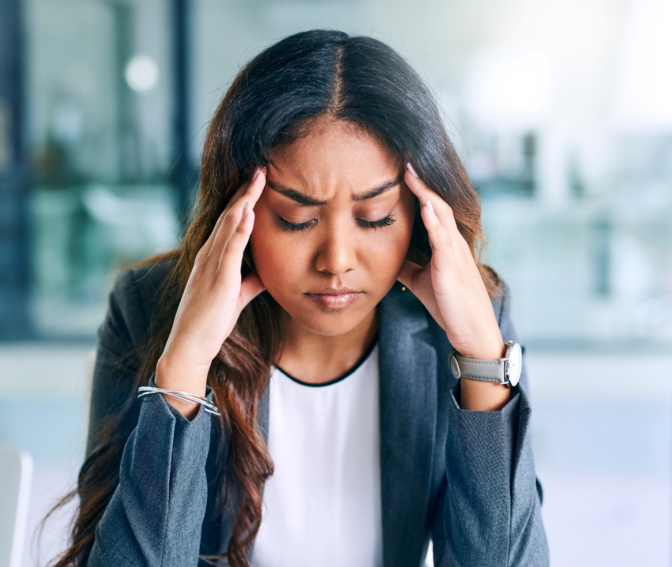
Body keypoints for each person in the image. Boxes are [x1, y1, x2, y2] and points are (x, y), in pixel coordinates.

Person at [43, 29, 549, 567]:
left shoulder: (466, 321)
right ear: (238, 209)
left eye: (374, 217)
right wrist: (185, 365)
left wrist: (481, 361)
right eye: (296, 218)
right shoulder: (148, 310)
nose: (336, 260)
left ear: (422, 216)